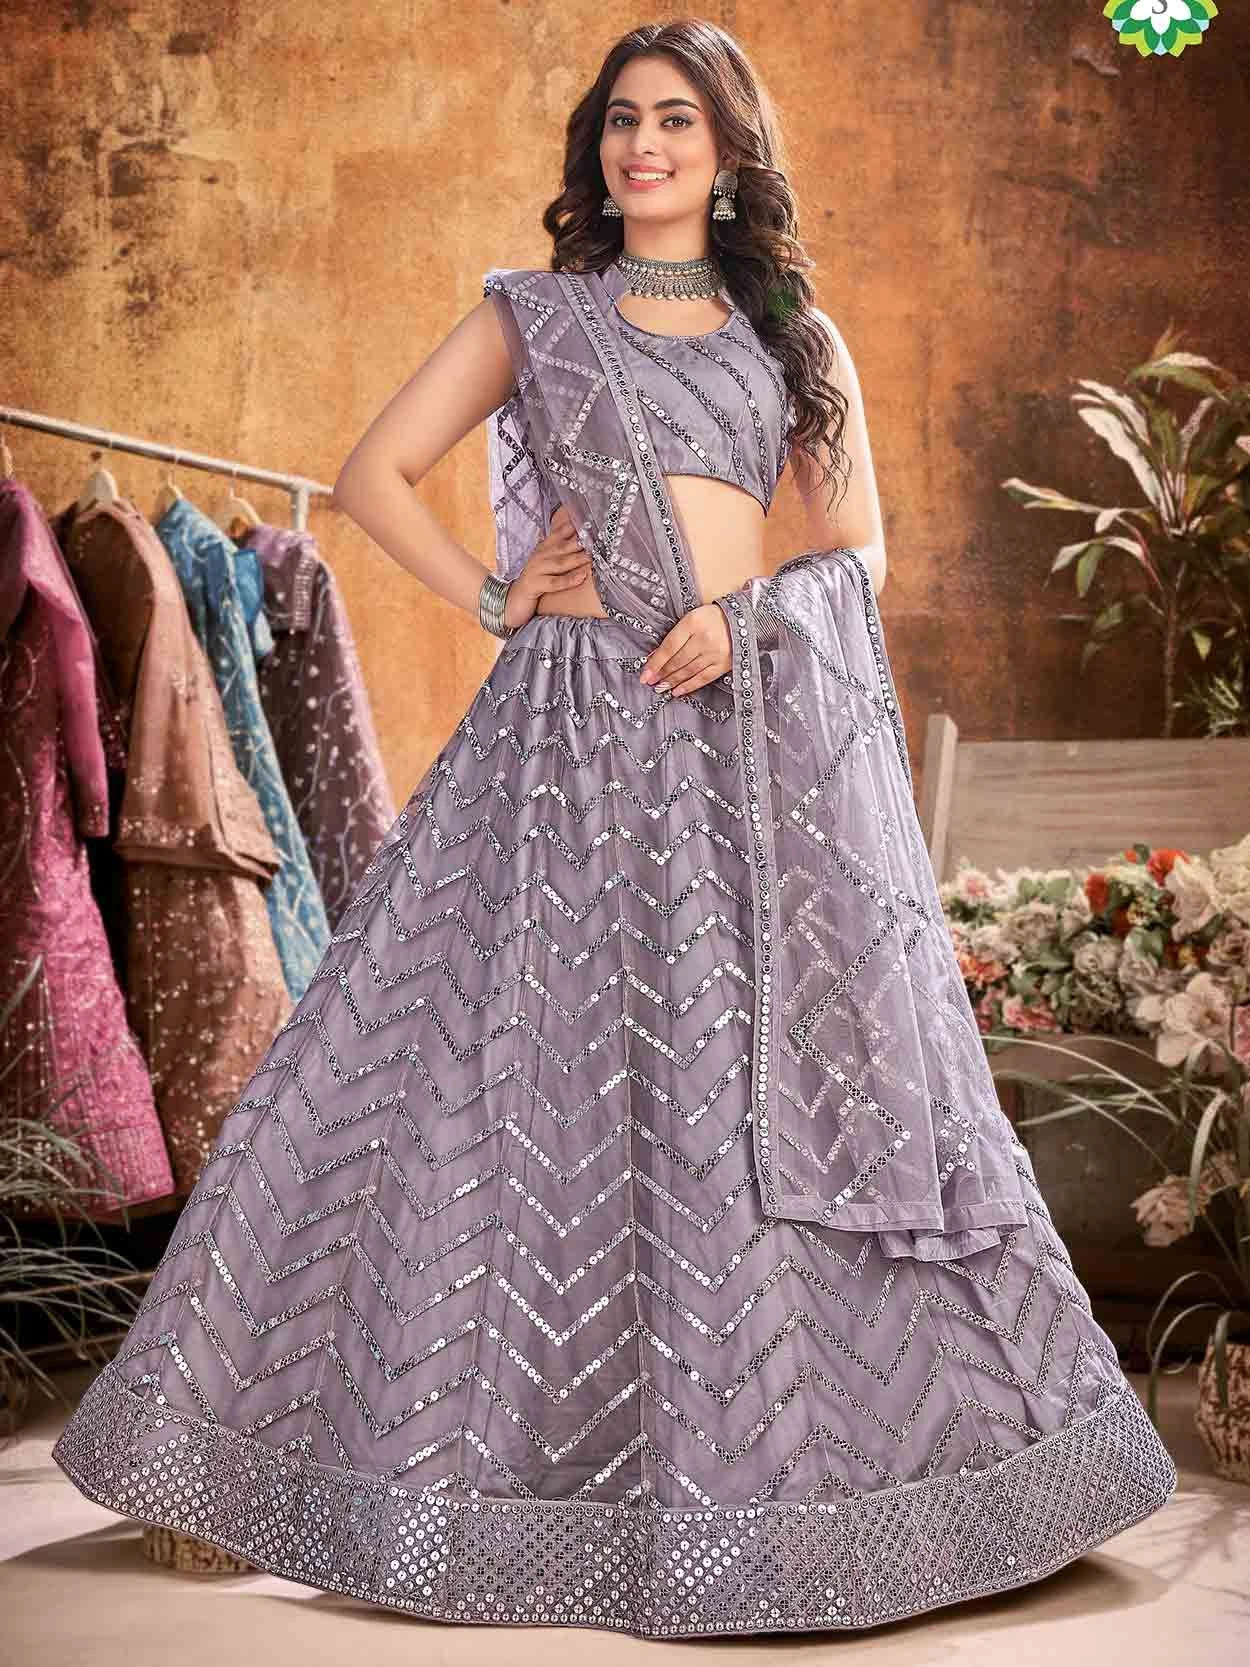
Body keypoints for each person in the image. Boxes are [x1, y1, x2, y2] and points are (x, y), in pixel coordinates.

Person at [52, 18, 1175, 1639]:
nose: (642, 145)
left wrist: (748, 622)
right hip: (569, 730)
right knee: (501, 1067)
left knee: (747, 1076)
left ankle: (815, 1478)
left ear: (728, 153)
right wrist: (496, 596)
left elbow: (855, 550)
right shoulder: (539, 313)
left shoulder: (795, 334)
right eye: (622, 120)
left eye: (676, 121)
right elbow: (374, 472)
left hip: (745, 738)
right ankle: (383, 1450)